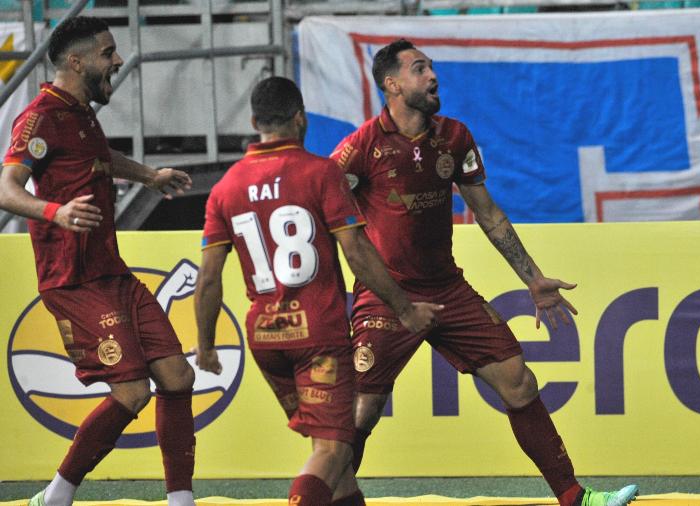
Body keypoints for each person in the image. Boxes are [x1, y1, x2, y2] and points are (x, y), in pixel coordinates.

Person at [330, 39, 639, 506]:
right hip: (388, 296)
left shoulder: (454, 137)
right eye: (419, 69)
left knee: (519, 382)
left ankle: (576, 497)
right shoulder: (360, 148)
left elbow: (489, 214)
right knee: (360, 413)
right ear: (392, 84)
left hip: (447, 290)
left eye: (431, 67)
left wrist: (533, 278)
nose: (432, 76)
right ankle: (328, 496)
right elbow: (326, 210)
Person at [193, 76, 442, 506]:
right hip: (317, 337)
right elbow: (357, 251)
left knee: (337, 467)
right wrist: (404, 310)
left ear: (254, 121)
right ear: (300, 118)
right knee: (333, 450)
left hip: (266, 340)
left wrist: (205, 345)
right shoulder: (320, 172)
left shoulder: (225, 188)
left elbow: (209, 278)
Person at [0, 16, 196, 506]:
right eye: (108, 52)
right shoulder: (41, 117)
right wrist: (55, 211)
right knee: (131, 393)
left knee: (178, 376)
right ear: (76, 61)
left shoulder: (81, 113)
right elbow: (5, 188)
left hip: (112, 272)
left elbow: (98, 157)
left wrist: (148, 175)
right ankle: (57, 496)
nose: (117, 60)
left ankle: (181, 500)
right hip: (73, 280)